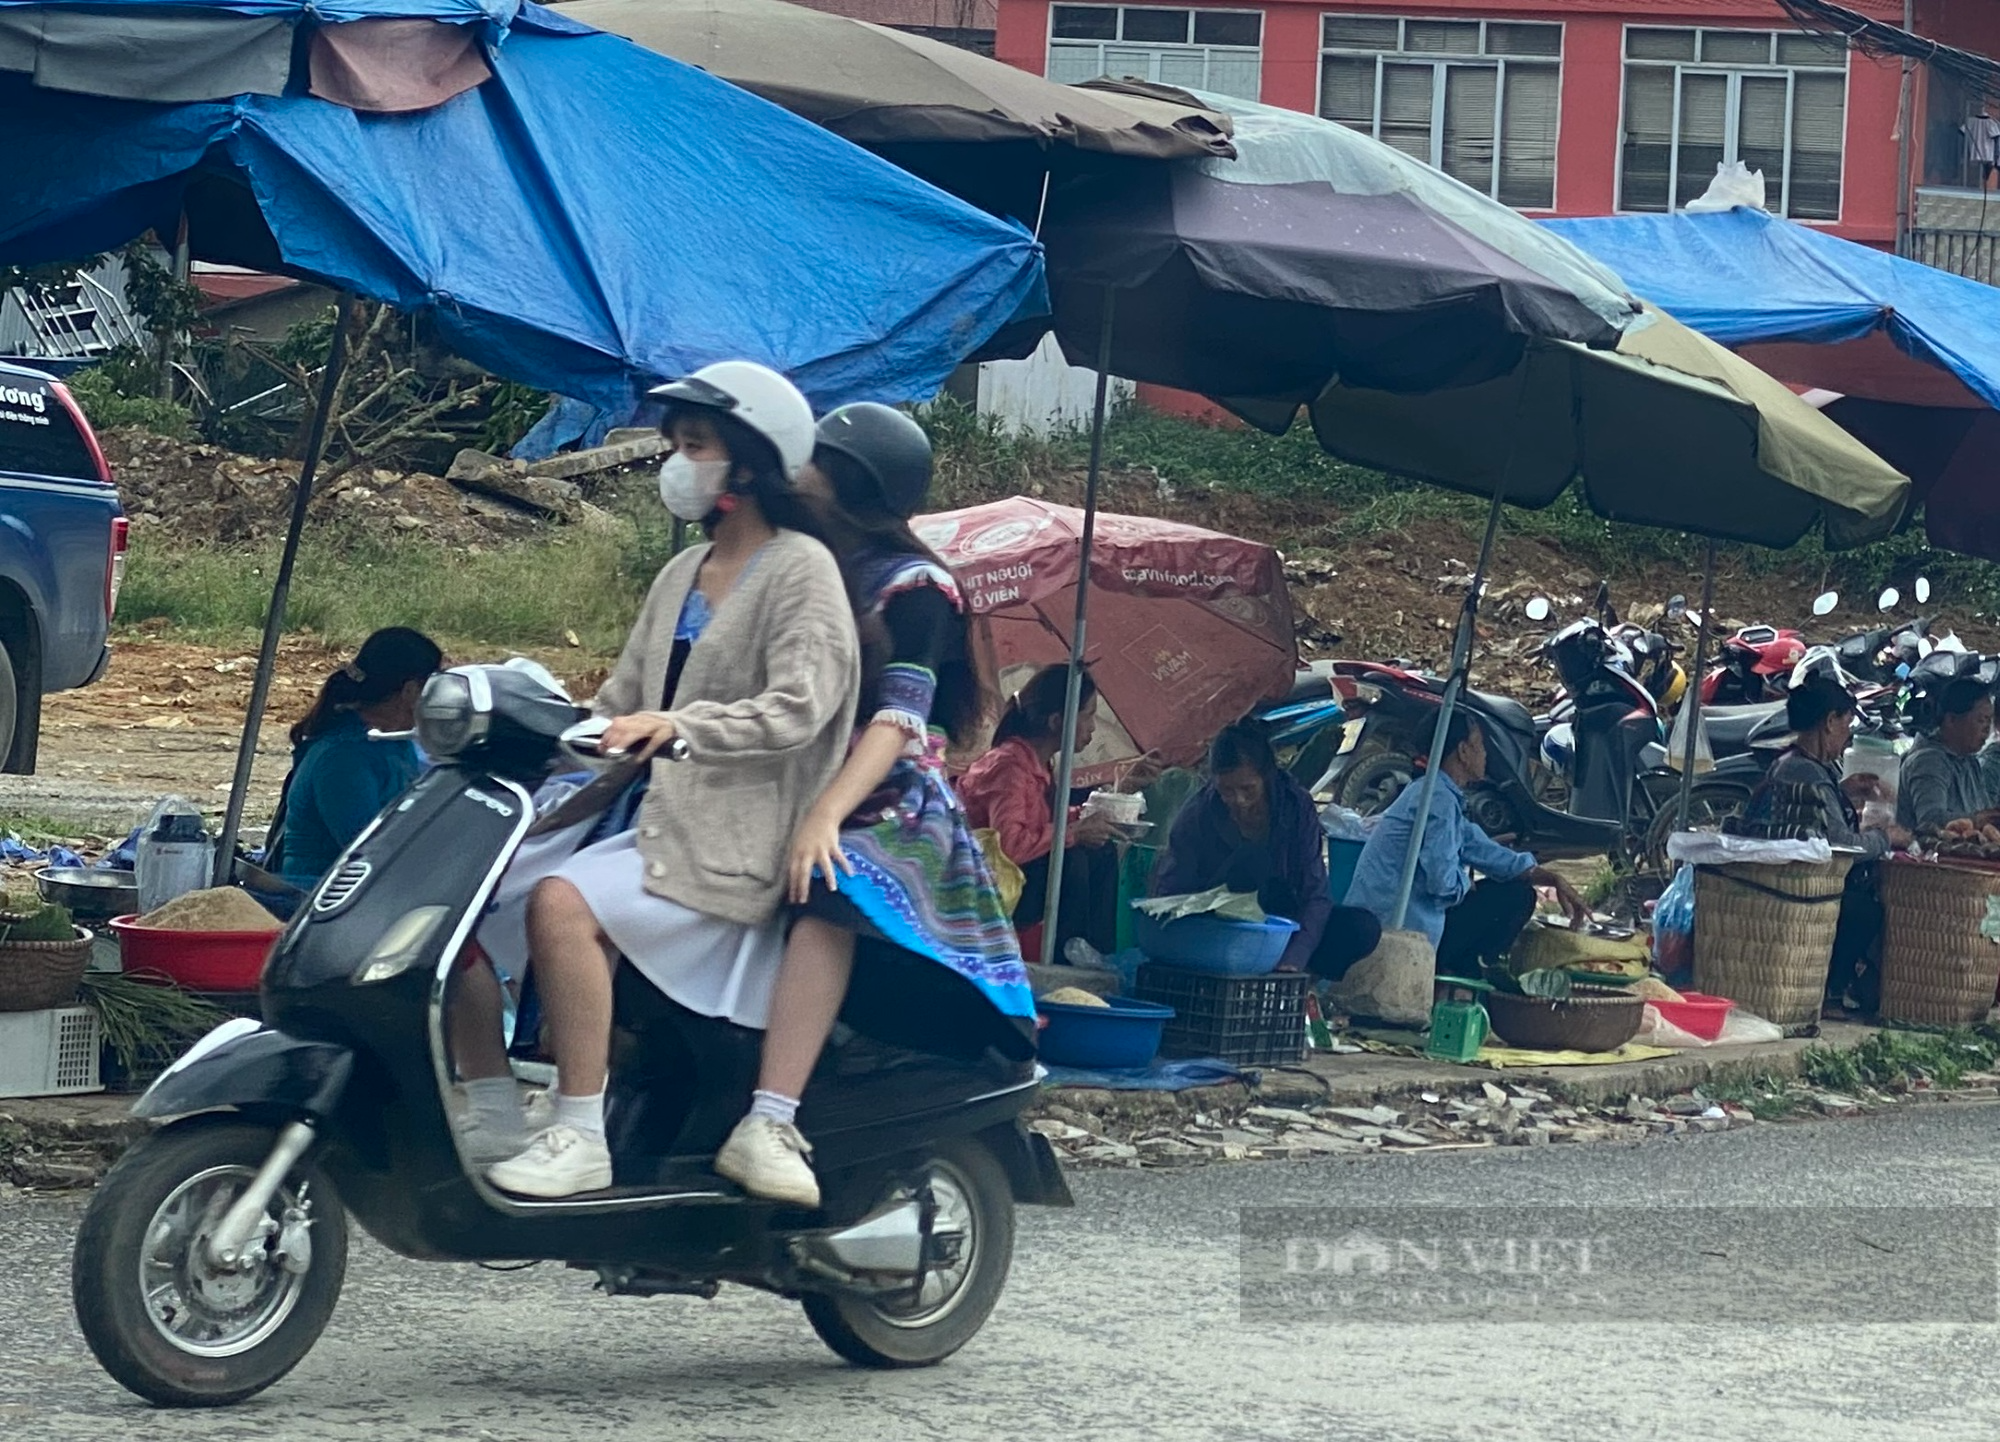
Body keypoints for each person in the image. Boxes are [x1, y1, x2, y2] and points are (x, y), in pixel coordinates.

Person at [485, 360, 861, 1199]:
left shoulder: (802, 569)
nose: (677, 462)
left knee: (561, 902)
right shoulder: (677, 576)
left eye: (697, 445)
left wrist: (680, 727)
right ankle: (497, 1103)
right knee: (478, 898)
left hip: (738, 833)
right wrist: (536, 729)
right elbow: (621, 704)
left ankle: (579, 1129)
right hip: (645, 822)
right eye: (677, 444)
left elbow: (802, 706)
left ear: (754, 462)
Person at [713, 403, 1033, 1207]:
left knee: (835, 886)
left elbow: (900, 717)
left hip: (885, 792)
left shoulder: (914, 588)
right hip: (783, 765)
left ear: (854, 480)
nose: (794, 472)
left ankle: (772, 1117)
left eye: (811, 460)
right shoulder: (787, 561)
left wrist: (825, 814)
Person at [1344, 711, 1588, 975]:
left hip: (1392, 923)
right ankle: (1458, 979)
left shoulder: (1438, 794)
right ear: (1463, 751)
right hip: (1396, 931)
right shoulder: (1437, 799)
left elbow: (1485, 850)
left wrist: (1550, 878)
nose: (1485, 755)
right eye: (1480, 746)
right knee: (1515, 898)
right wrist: (1464, 881)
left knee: (1514, 889)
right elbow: (1443, 884)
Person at [1152, 720, 1381, 978]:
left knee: (1361, 928)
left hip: (1279, 928)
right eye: (1227, 790)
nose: (1238, 800)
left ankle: (1297, 981)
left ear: (1267, 776)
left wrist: (1293, 957)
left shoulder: (1295, 807)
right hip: (1220, 930)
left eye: (1248, 789)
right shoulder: (1196, 816)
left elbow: (1315, 894)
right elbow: (1170, 893)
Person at [1740, 677, 1909, 1012]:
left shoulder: (1795, 764)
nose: (1847, 734)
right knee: (1865, 910)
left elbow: (1814, 813)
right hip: (1794, 887)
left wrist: (1843, 792)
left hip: (1784, 878)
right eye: (1846, 724)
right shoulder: (1807, 772)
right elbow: (1838, 844)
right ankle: (1830, 989)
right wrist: (1884, 838)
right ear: (1830, 722)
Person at [958, 666, 1124, 959]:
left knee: (1101, 851)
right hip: (986, 883)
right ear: (1057, 721)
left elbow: (1042, 824)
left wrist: (1088, 817)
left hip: (1020, 876)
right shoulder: (1008, 768)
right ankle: (1066, 957)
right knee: (1072, 860)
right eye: (1087, 716)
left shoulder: (1039, 765)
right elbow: (1008, 846)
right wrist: (1073, 834)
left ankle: (1094, 953)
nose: (1092, 728)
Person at [273, 626, 442, 892]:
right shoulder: (344, 756)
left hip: (371, 890)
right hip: (318, 897)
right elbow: (367, 849)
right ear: (410, 691)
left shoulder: (396, 743)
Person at [1896, 677, 2000, 835]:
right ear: (1951, 720)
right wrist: (1977, 820)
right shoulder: (1928, 761)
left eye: (1989, 721)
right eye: (1981, 720)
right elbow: (1930, 819)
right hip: (1928, 854)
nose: (1986, 729)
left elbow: (1985, 810)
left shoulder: (1970, 761)